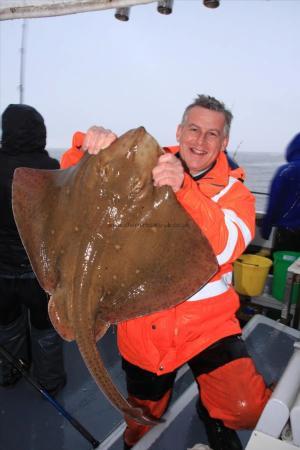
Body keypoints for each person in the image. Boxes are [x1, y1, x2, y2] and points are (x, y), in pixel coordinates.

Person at [68, 95, 272, 450]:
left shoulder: (235, 193)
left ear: (224, 143)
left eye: (212, 134)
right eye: (194, 129)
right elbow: (76, 186)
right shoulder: (141, 166)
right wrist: (87, 149)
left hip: (209, 327)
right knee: (141, 420)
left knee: (247, 409)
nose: (200, 141)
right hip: (145, 320)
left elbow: (223, 246)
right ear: (179, 131)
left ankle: (214, 413)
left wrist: (184, 189)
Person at [0, 104, 66, 395]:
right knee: (46, 330)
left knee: (8, 327)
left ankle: (11, 372)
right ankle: (50, 382)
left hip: (2, 274)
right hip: (41, 273)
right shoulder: (52, 169)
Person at [260, 132, 300, 252]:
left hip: (288, 233)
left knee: (283, 267)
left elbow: (274, 203)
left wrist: (266, 229)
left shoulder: (286, 171)